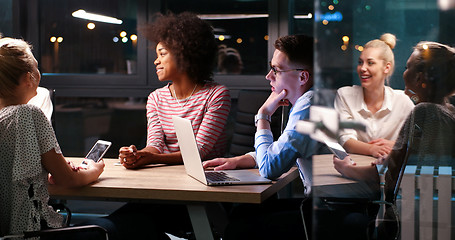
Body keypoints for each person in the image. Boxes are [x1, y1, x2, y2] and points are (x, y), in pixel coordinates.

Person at [203, 34, 322, 240]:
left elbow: (270, 168)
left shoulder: (308, 107)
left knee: (239, 229)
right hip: (324, 206)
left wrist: (264, 115)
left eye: (276, 70)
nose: (269, 76)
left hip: (327, 213)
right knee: (242, 213)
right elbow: (283, 151)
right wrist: (241, 160)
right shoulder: (313, 100)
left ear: (303, 77)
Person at [333, 41, 455, 240]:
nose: (403, 72)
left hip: (403, 224)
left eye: (408, 67)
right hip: (434, 220)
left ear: (420, 77)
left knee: (345, 223)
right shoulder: (448, 112)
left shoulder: (424, 112)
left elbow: (393, 173)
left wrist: (348, 169)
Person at [0, 37, 104, 236]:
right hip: (33, 231)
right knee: (132, 224)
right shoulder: (28, 114)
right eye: (36, 67)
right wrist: (94, 170)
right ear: (29, 78)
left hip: (7, 232)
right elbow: (69, 180)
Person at [118, 12, 231, 169]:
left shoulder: (216, 95)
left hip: (207, 174)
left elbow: (198, 151)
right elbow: (155, 143)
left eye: (162, 54)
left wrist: (152, 158)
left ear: (184, 54)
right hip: (166, 172)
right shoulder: (156, 98)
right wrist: (137, 155)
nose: (156, 61)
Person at [334, 33, 414, 158]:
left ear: (386, 67)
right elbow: (345, 140)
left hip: (391, 172)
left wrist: (394, 144)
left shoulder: (402, 101)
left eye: (370, 63)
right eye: (360, 62)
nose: (362, 68)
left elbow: (415, 142)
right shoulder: (344, 95)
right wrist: (371, 149)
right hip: (354, 168)